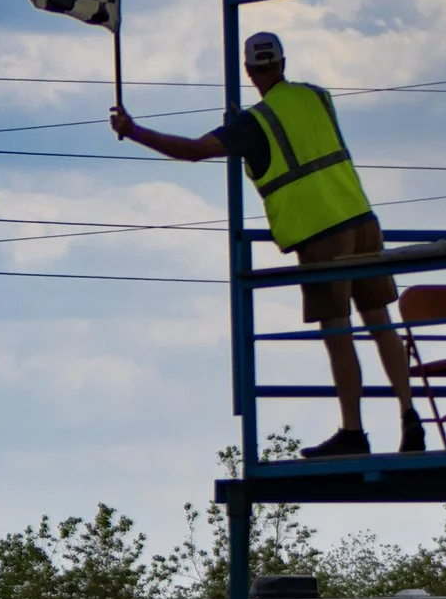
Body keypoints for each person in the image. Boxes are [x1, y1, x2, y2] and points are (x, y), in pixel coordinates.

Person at [111, 30, 422, 459]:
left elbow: (194, 151)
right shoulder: (318, 97)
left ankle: (354, 431)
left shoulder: (252, 123)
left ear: (248, 70)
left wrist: (135, 131)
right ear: (283, 62)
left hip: (319, 233)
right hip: (362, 218)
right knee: (380, 322)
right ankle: (410, 416)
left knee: (338, 331)